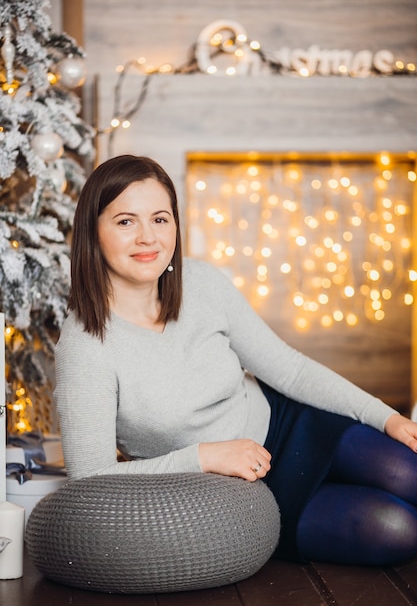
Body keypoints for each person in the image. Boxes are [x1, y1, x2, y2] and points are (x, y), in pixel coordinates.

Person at [55, 154, 417, 566]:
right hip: (240, 490)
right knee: (395, 528)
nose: (147, 238)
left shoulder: (202, 283)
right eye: (125, 221)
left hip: (288, 426)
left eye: (160, 219)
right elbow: (89, 479)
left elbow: (290, 368)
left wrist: (387, 417)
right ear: (92, 232)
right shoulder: (85, 346)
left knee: (408, 473)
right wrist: (205, 456)